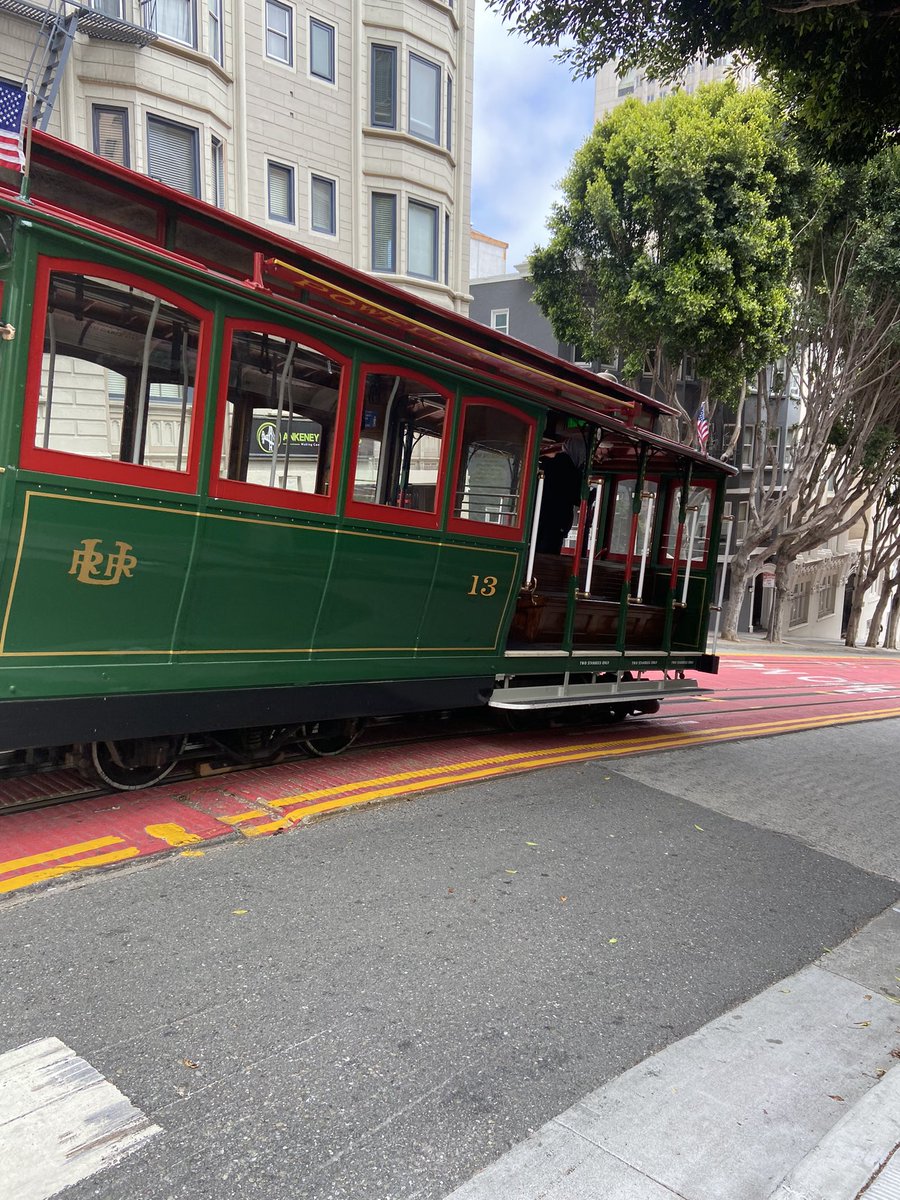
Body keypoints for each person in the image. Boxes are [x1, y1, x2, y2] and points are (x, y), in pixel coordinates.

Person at [535, 429, 586, 554]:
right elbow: (577, 497)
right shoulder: (568, 468)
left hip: (538, 518)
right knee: (549, 554)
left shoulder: (548, 463)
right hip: (556, 521)